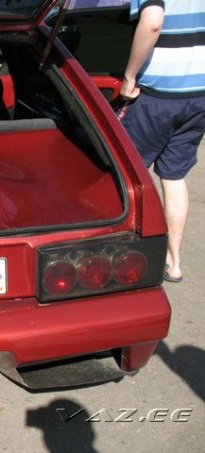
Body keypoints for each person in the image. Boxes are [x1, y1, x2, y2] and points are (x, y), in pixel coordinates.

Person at [119, 0, 205, 283]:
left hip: (157, 94)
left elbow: (153, 22)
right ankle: (173, 261)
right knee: (174, 175)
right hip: (199, 93)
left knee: (129, 171)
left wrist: (129, 76)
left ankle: (125, 251)